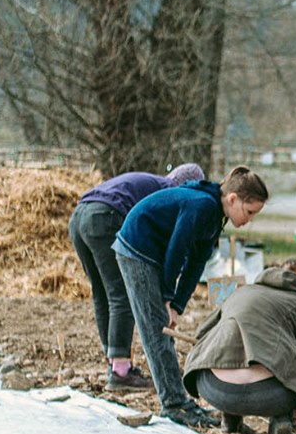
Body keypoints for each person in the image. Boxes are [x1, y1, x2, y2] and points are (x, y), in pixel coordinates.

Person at [113, 166, 267, 428]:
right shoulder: (202, 206)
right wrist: (165, 295)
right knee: (156, 329)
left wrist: (177, 304)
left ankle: (176, 400)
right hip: (137, 247)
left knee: (161, 324)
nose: (249, 219)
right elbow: (178, 248)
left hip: (150, 251)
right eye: (249, 211)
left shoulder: (216, 216)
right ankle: (174, 404)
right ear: (233, 199)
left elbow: (196, 262)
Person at [69, 163, 204, 390]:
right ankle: (121, 372)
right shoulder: (171, 195)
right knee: (122, 294)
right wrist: (166, 296)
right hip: (104, 216)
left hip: (79, 216)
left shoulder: (154, 185)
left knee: (102, 293)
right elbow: (166, 251)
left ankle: (114, 362)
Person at [182, 259, 296, 434]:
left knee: (229, 352)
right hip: (270, 397)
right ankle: (280, 418)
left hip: (213, 388)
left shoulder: (240, 293)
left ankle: (230, 421)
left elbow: (201, 333)